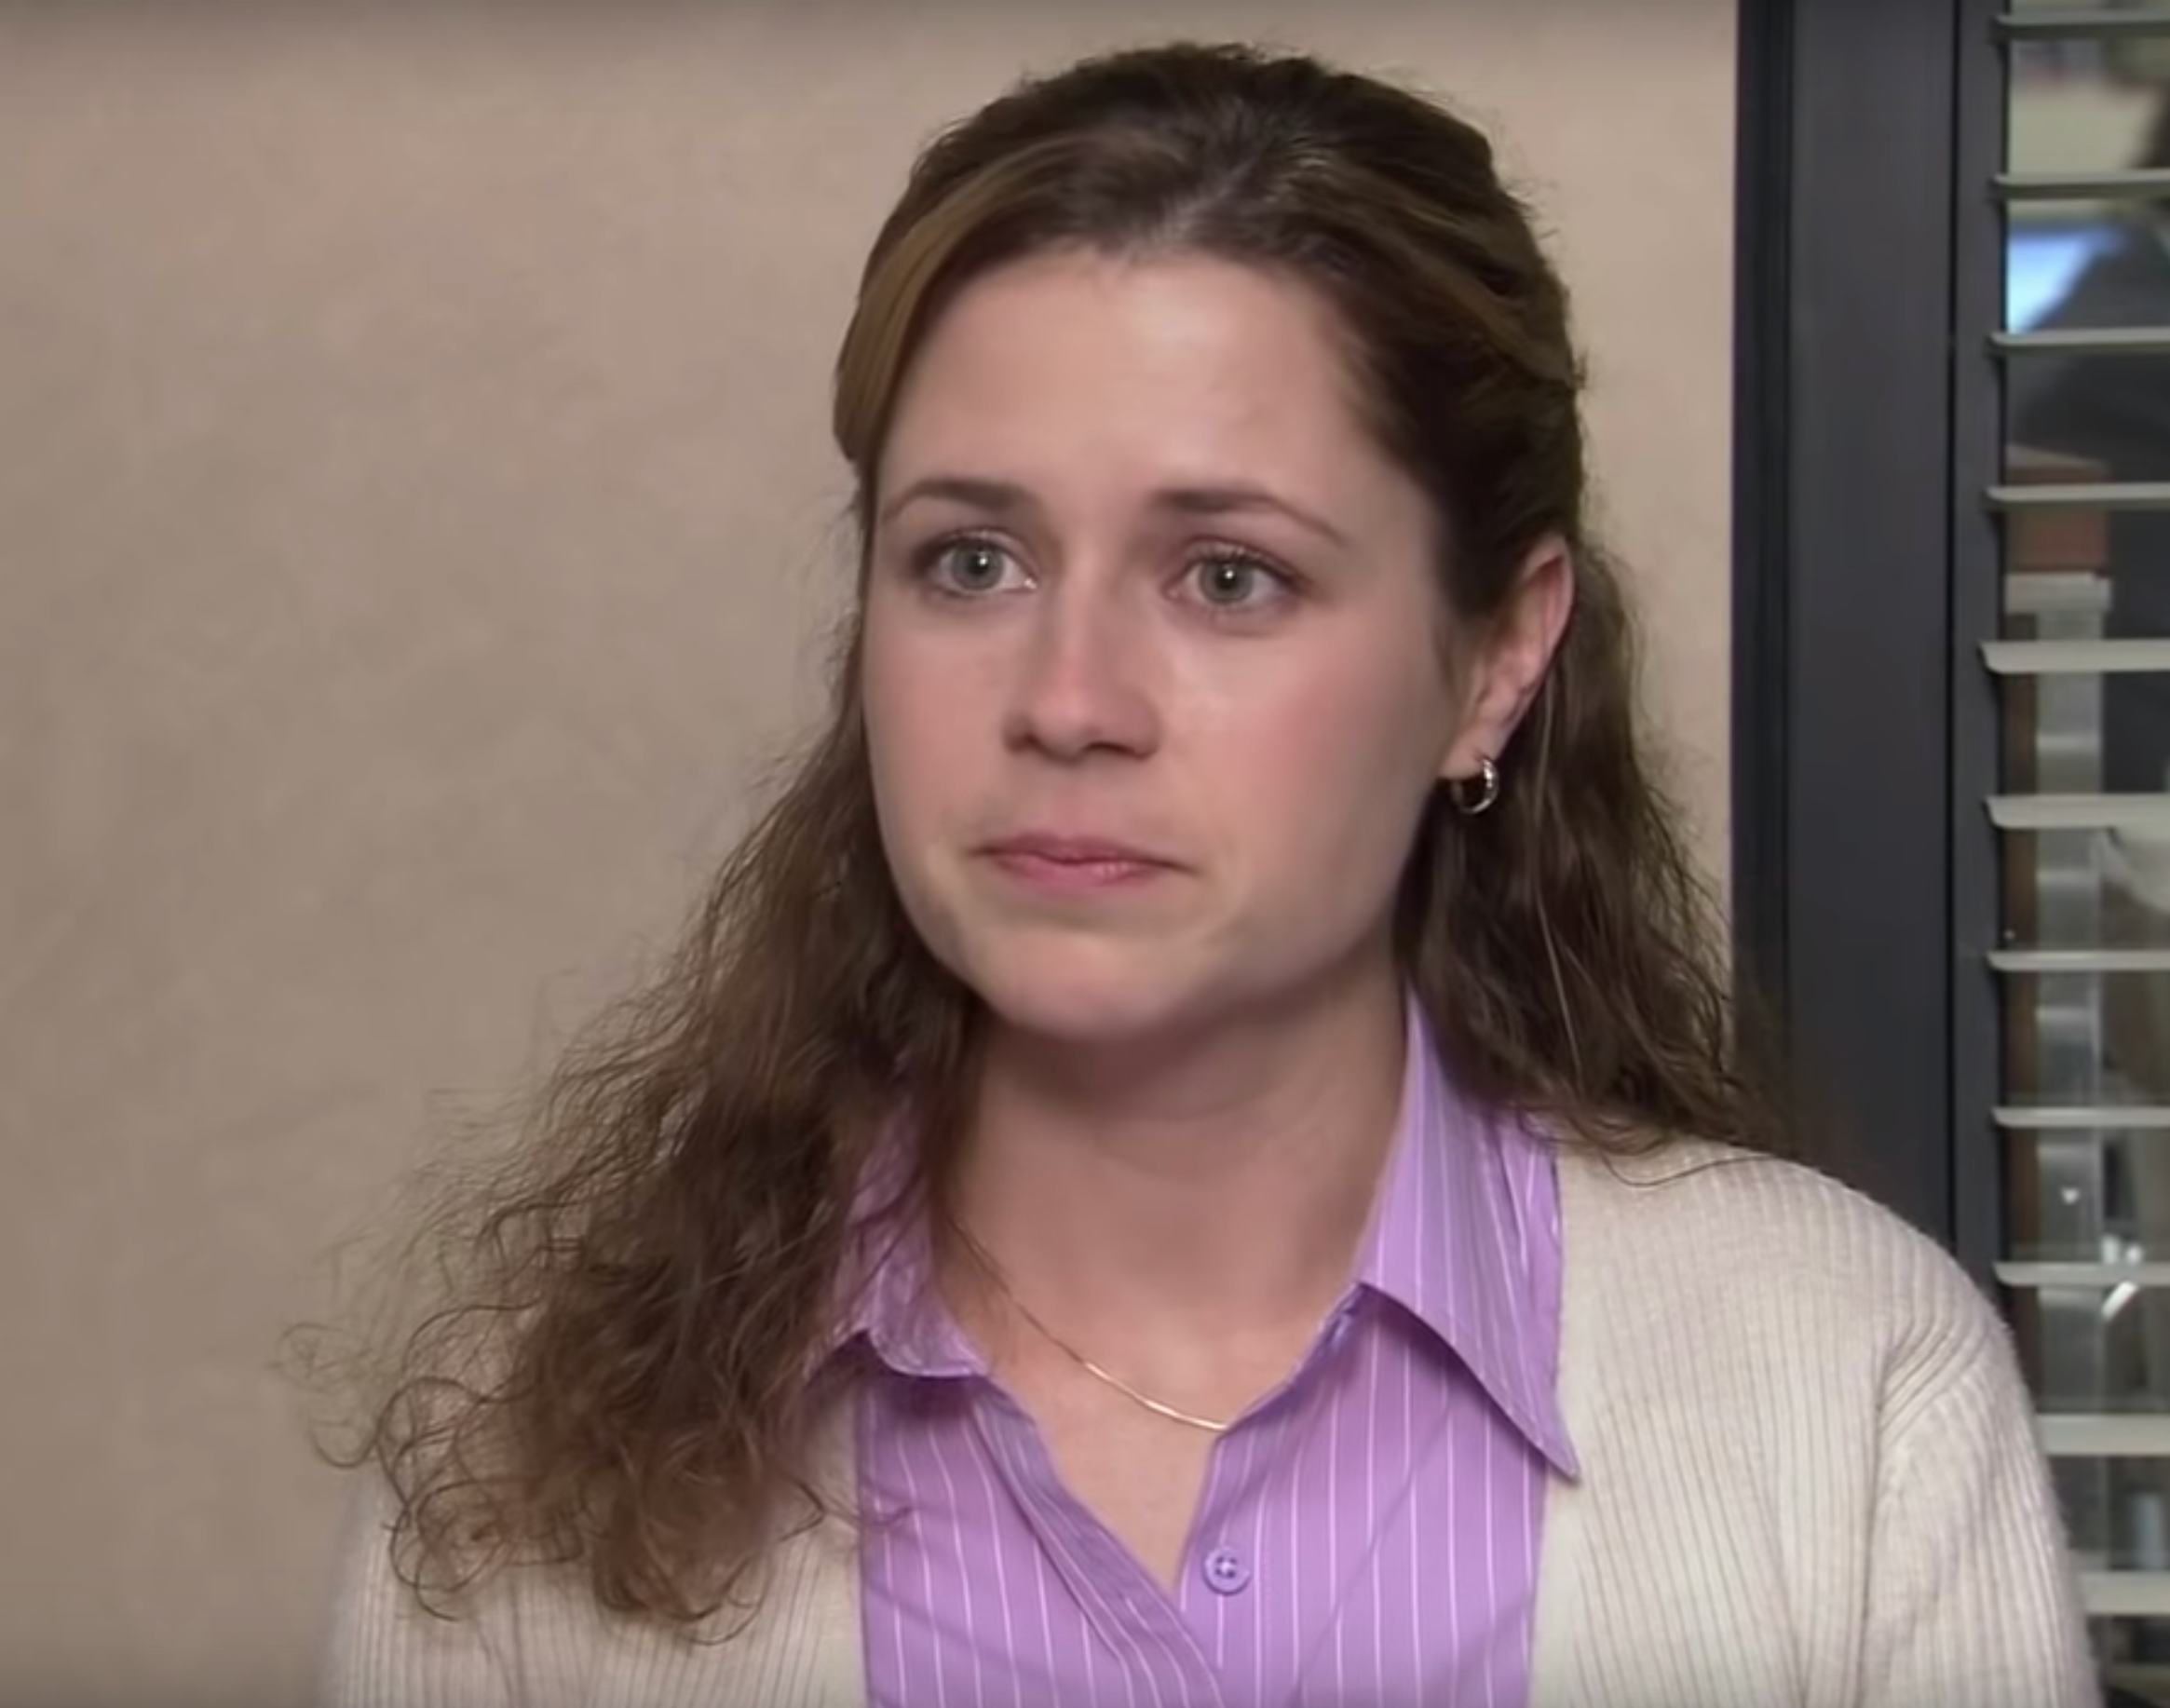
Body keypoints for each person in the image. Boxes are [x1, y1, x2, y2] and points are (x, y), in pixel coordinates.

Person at [304, 39, 2095, 1707]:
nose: (1067, 700)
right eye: (972, 561)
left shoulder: (1845, 1391)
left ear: (1495, 657)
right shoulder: (510, 1475)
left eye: (1229, 576)